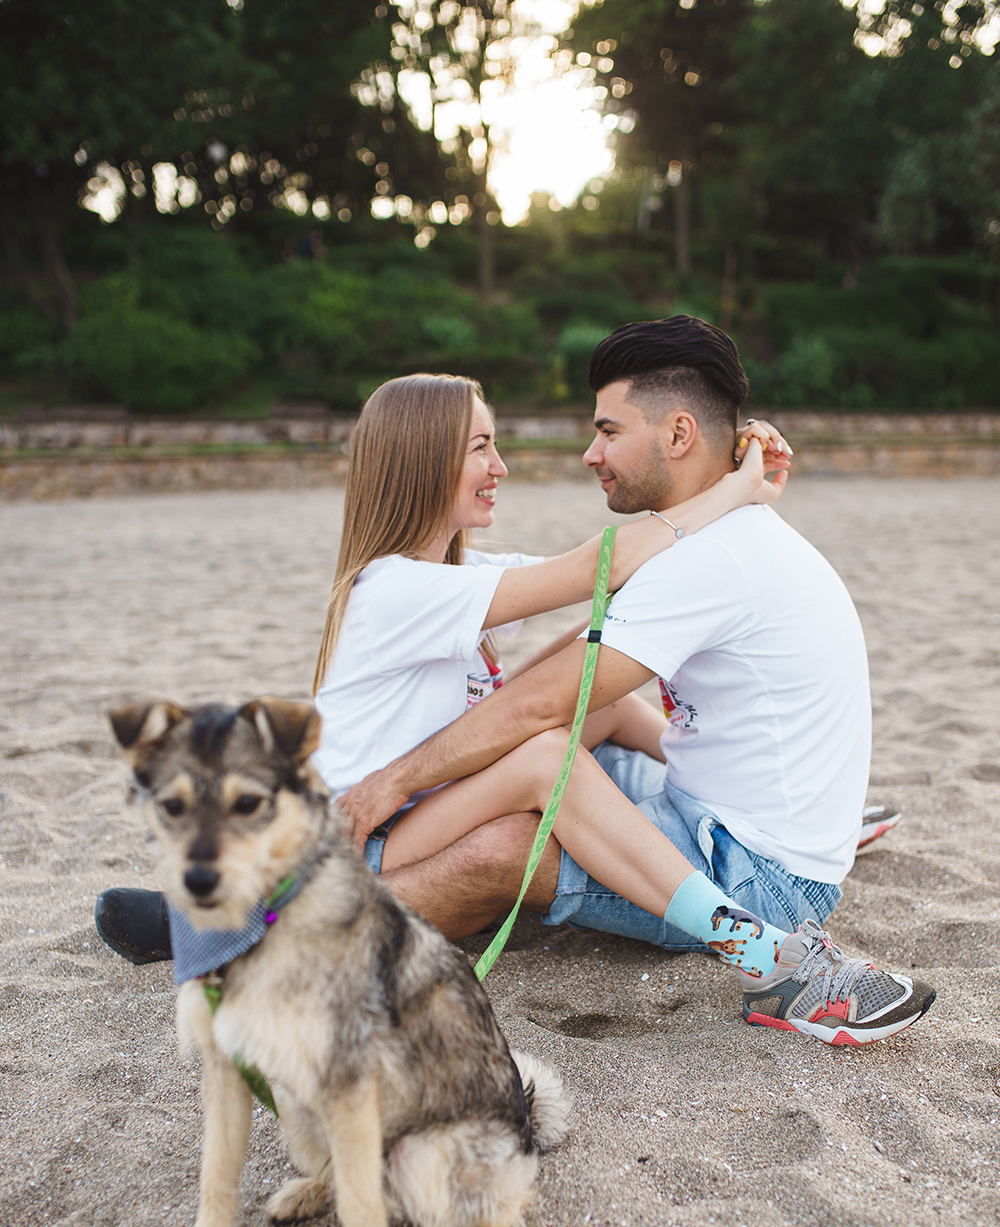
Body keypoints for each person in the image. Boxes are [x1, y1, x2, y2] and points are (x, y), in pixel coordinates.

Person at [335, 319, 936, 1046]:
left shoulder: (705, 558)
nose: (590, 453)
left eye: (608, 431)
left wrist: (398, 779)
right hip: (391, 828)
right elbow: (590, 604)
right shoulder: (717, 542)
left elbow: (550, 685)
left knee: (532, 786)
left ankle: (771, 957)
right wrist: (739, 480)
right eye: (482, 447)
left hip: (755, 870)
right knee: (558, 735)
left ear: (678, 434)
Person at [95, 369, 787, 968]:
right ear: (423, 461)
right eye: (481, 448)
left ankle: (707, 787)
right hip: (367, 839)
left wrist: (727, 464)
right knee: (544, 756)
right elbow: (597, 566)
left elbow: (612, 587)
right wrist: (738, 487)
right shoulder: (395, 588)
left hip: (417, 816)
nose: (500, 467)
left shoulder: (454, 575)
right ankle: (743, 941)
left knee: (589, 684)